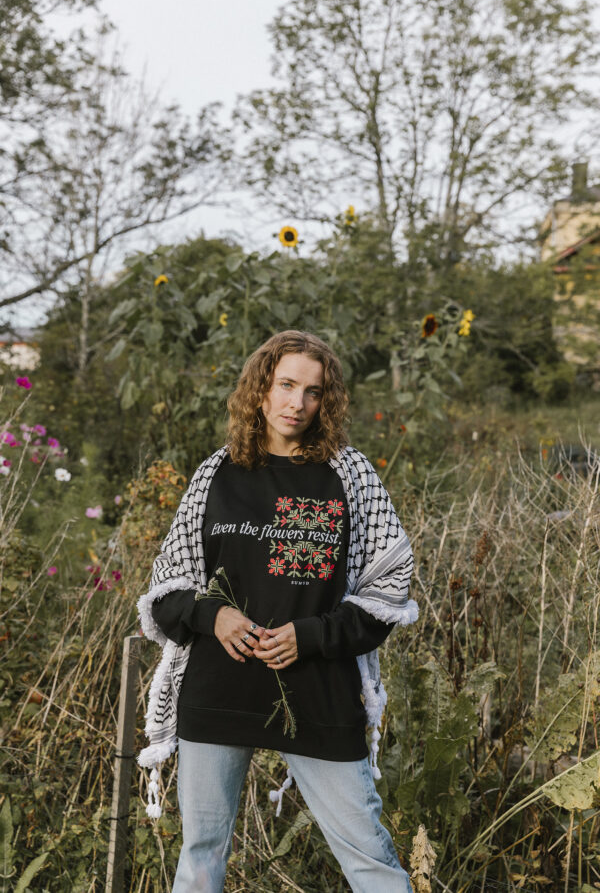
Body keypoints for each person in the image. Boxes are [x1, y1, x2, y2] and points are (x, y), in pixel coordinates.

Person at [137, 330, 418, 892]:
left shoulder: (350, 476)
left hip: (316, 689)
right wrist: (212, 615)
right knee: (201, 857)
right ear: (260, 389)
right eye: (286, 385)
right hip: (218, 690)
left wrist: (310, 635)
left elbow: (389, 591)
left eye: (313, 392)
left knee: (370, 857)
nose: (297, 403)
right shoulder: (217, 473)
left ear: (326, 401)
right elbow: (166, 591)